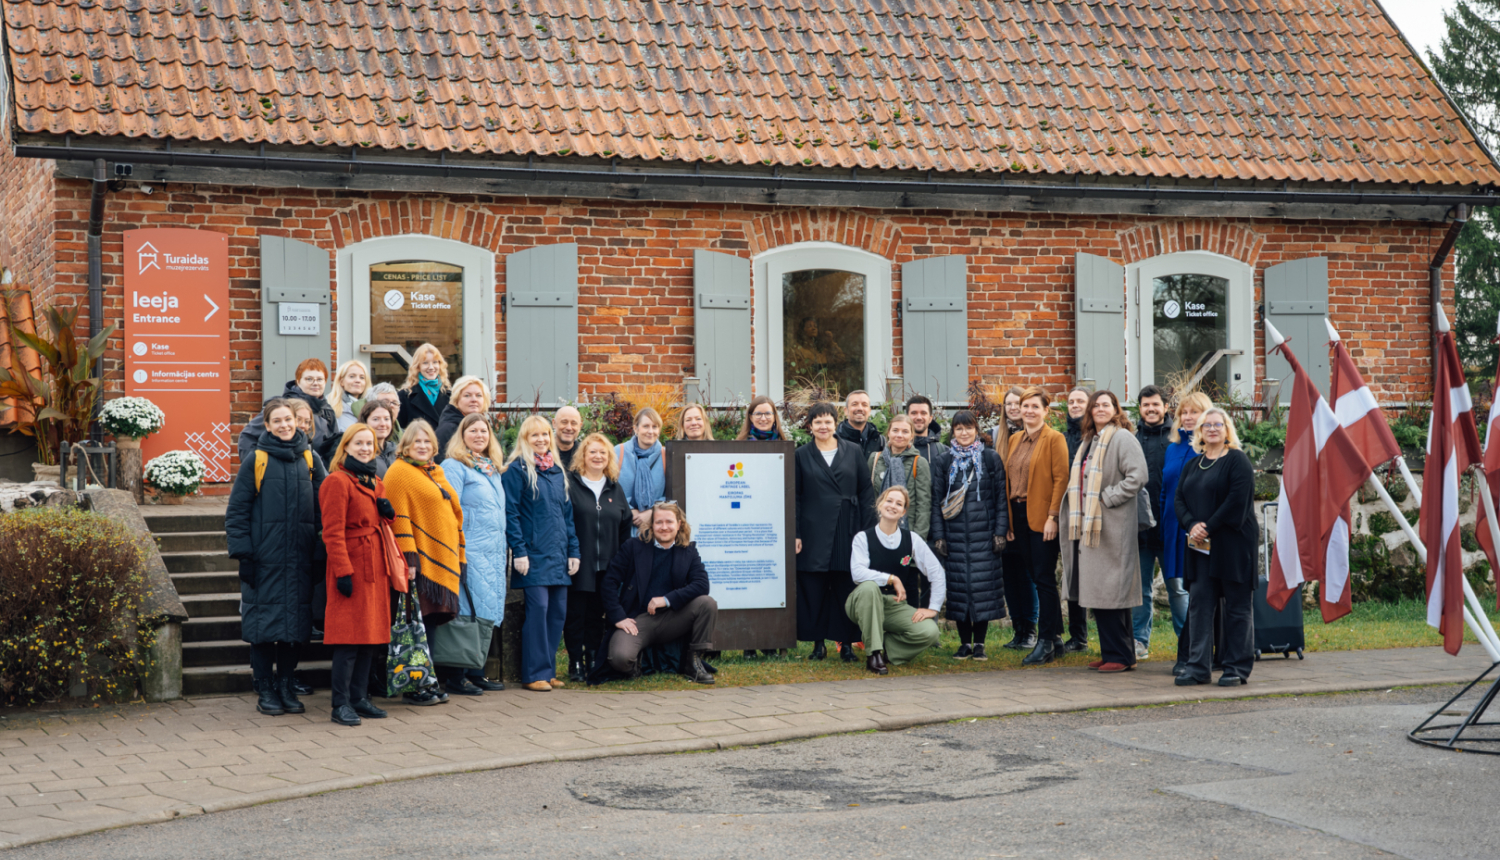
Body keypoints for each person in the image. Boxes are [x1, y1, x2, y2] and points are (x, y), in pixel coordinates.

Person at [226, 398, 326, 716]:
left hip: (300, 560)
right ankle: (265, 689)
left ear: (297, 422)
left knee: (294, 631)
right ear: (266, 426)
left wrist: (321, 552)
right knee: (262, 630)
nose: (284, 425)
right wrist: (244, 555)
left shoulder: (310, 459)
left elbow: (326, 508)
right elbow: (237, 511)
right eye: (277, 421)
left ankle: (285, 685)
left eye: (288, 420)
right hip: (264, 561)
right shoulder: (256, 459)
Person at [1060, 390, 1148, 673]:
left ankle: (1121, 656)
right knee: (1099, 592)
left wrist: (1107, 498)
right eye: (1095, 405)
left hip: (1112, 526)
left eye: (1105, 405)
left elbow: (1138, 476)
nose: (1099, 409)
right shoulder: (1089, 441)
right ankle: (1115, 652)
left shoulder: (1122, 437)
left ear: (1116, 409)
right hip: (1091, 527)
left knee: (1112, 592)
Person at [1173, 407, 1258, 687]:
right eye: (1206, 425)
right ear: (1199, 431)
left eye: (1217, 425)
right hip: (1200, 548)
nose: (1212, 429)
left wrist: (1206, 526)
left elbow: (1236, 502)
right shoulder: (1192, 465)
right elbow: (1179, 500)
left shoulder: (1237, 461)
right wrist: (1190, 525)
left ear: (1227, 430)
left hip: (1233, 545)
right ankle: (1198, 667)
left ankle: (1236, 667)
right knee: (1199, 606)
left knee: (1236, 607)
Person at [383, 419, 465, 706]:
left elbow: (453, 515)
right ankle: (415, 685)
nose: (422, 446)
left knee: (427, 625)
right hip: (418, 565)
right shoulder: (399, 473)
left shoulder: (436, 471)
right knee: (415, 626)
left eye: (427, 441)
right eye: (416, 441)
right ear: (405, 445)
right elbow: (399, 520)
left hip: (441, 560)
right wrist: (410, 560)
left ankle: (426, 681)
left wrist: (459, 554)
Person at [319, 423, 396, 726]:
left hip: (375, 565)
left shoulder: (375, 481)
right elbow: (332, 532)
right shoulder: (337, 481)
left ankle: (359, 698)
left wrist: (387, 512)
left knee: (371, 638)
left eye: (369, 444)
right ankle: (340, 704)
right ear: (346, 447)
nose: (365, 448)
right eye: (359, 443)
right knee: (348, 639)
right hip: (351, 565)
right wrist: (342, 571)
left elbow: (380, 523)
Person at [503, 415, 581, 693]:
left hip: (558, 555)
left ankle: (548, 672)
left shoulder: (557, 471)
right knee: (539, 611)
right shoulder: (517, 470)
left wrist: (574, 550)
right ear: (524, 439)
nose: (541, 440)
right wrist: (519, 551)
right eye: (534, 435)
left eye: (545, 435)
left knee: (558, 613)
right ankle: (532, 673)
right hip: (533, 555)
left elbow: (566, 515)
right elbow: (510, 513)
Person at [599, 502, 717, 684]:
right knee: (620, 659)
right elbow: (609, 582)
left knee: (707, 603)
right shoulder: (633, 547)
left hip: (674, 618)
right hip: (637, 621)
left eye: (669, 522)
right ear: (651, 525)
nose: (664, 527)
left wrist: (667, 599)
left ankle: (692, 663)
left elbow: (702, 584)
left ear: (679, 525)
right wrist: (618, 616)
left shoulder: (688, 551)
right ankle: (640, 664)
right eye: (658, 522)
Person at [795, 401, 876, 661]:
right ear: (810, 426)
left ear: (835, 423)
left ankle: (848, 644)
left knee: (845, 587)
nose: (823, 426)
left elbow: (865, 492)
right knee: (814, 588)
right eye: (817, 421)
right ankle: (818, 644)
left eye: (827, 421)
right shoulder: (801, 454)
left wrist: (867, 533)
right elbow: (795, 497)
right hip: (812, 529)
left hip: (847, 526)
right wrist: (796, 533)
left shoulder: (852, 451)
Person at [440, 412, 509, 695]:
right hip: (469, 551)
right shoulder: (454, 466)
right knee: (467, 612)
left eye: (484, 431)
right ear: (462, 435)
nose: (479, 435)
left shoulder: (491, 468)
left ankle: (477, 671)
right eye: (473, 431)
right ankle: (457, 676)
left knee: (485, 611)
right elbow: (448, 510)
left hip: (493, 554)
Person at [930, 409, 1008, 659]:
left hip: (984, 535)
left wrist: (1000, 531)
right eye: (959, 428)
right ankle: (964, 642)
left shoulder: (990, 458)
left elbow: (1000, 498)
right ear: (952, 432)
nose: (964, 433)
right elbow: (936, 501)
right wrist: (939, 536)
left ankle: (980, 644)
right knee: (958, 589)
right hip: (953, 535)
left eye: (968, 428)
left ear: (977, 430)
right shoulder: (944, 461)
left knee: (982, 588)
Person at [846, 486, 946, 674]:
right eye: (889, 501)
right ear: (880, 504)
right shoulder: (863, 538)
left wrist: (933, 608)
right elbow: (857, 573)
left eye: (899, 504)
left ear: (904, 511)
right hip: (862, 603)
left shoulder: (912, 539)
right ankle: (873, 654)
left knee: (930, 632)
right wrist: (891, 579)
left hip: (893, 605)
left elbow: (937, 572)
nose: (893, 506)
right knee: (869, 587)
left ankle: (888, 650)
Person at [1005, 388, 1071, 664]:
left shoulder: (1054, 439)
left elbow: (1061, 479)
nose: (1029, 411)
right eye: (1025, 406)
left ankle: (1045, 641)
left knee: (1043, 577)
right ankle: (1055, 636)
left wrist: (1053, 517)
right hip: (1018, 515)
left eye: (1035, 406)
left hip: (1043, 517)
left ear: (1046, 411)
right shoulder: (1015, 439)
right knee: (1034, 574)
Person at [565, 433, 633, 682]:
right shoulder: (570, 484)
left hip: (608, 566)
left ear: (609, 458)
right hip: (578, 564)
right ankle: (575, 663)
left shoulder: (615, 487)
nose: (597, 456)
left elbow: (625, 526)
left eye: (602, 453)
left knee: (597, 614)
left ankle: (593, 658)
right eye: (592, 452)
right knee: (576, 616)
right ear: (583, 455)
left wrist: (622, 563)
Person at [1163, 392, 1212, 674]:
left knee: (1198, 590)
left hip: (1199, 528)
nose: (1188, 417)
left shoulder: (1208, 447)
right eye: (1184, 412)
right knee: (1177, 586)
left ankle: (1197, 650)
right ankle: (1189, 648)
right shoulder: (1173, 447)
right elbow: (1165, 491)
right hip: (1173, 527)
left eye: (1194, 412)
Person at [1133, 385, 1173, 660]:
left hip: (1171, 527)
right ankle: (1139, 641)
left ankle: (1189, 640)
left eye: (1155, 405)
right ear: (1140, 408)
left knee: (1178, 589)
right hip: (1140, 529)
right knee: (1140, 589)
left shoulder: (1177, 439)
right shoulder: (1131, 439)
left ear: (1166, 407)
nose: (1151, 409)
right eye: (1146, 405)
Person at [237, 358, 340, 466]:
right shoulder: (281, 407)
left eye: (320, 379)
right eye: (309, 379)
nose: (315, 383)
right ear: (298, 381)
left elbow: (334, 447)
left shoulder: (327, 412)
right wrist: (255, 468)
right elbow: (248, 437)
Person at [997, 384, 1035, 650]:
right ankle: (1018, 629)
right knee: (1009, 575)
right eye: (1008, 404)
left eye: (1017, 403)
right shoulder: (994, 436)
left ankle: (1031, 629)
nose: (1013, 408)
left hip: (1027, 514)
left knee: (1028, 575)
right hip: (1004, 515)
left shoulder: (1036, 436)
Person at [1061, 385, 1092, 653]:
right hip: (1067, 513)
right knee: (1072, 574)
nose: (1074, 405)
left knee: (1092, 574)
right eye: (1071, 401)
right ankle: (1078, 636)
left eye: (1080, 401)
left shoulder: (1095, 435)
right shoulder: (1062, 437)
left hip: (1092, 511)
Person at [868, 415, 931, 540]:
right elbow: (868, 498)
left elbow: (924, 505)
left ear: (912, 436)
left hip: (908, 531)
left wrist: (917, 539)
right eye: (895, 430)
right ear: (888, 433)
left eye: (905, 431)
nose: (899, 435)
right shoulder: (875, 459)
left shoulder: (919, 462)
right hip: (877, 530)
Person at [617, 408, 667, 529]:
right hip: (622, 526)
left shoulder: (666, 455)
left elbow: (672, 493)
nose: (650, 431)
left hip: (657, 528)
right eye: (645, 426)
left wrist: (652, 511)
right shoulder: (618, 452)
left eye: (654, 427)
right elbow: (608, 488)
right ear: (636, 428)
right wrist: (629, 509)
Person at [397, 343, 450, 431]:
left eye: (435, 362)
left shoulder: (451, 396)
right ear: (417, 367)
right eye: (425, 363)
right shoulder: (404, 396)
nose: (431, 367)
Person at [435, 375, 491, 456]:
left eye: (478, 395)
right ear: (457, 399)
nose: (474, 400)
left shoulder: (484, 425)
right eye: (467, 395)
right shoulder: (448, 429)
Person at [358, 401, 399, 477]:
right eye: (376, 419)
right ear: (365, 422)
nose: (383, 424)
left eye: (386, 419)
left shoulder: (397, 451)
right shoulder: (360, 453)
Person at [328, 360, 371, 432]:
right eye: (352, 376)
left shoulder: (371, 407)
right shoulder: (329, 406)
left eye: (362, 377)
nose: (358, 380)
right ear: (341, 382)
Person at [838, 389, 884, 456]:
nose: (860, 408)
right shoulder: (835, 440)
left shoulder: (880, 441)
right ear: (846, 411)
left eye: (864, 405)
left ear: (869, 411)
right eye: (854, 404)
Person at [906, 395, 947, 466]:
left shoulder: (943, 451)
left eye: (923, 413)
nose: (919, 417)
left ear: (930, 418)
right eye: (914, 413)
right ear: (907, 417)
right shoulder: (897, 449)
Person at [554, 405, 584, 469]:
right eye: (564, 422)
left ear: (580, 426)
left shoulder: (585, 454)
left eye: (573, 423)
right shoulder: (542, 452)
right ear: (554, 423)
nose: (569, 428)